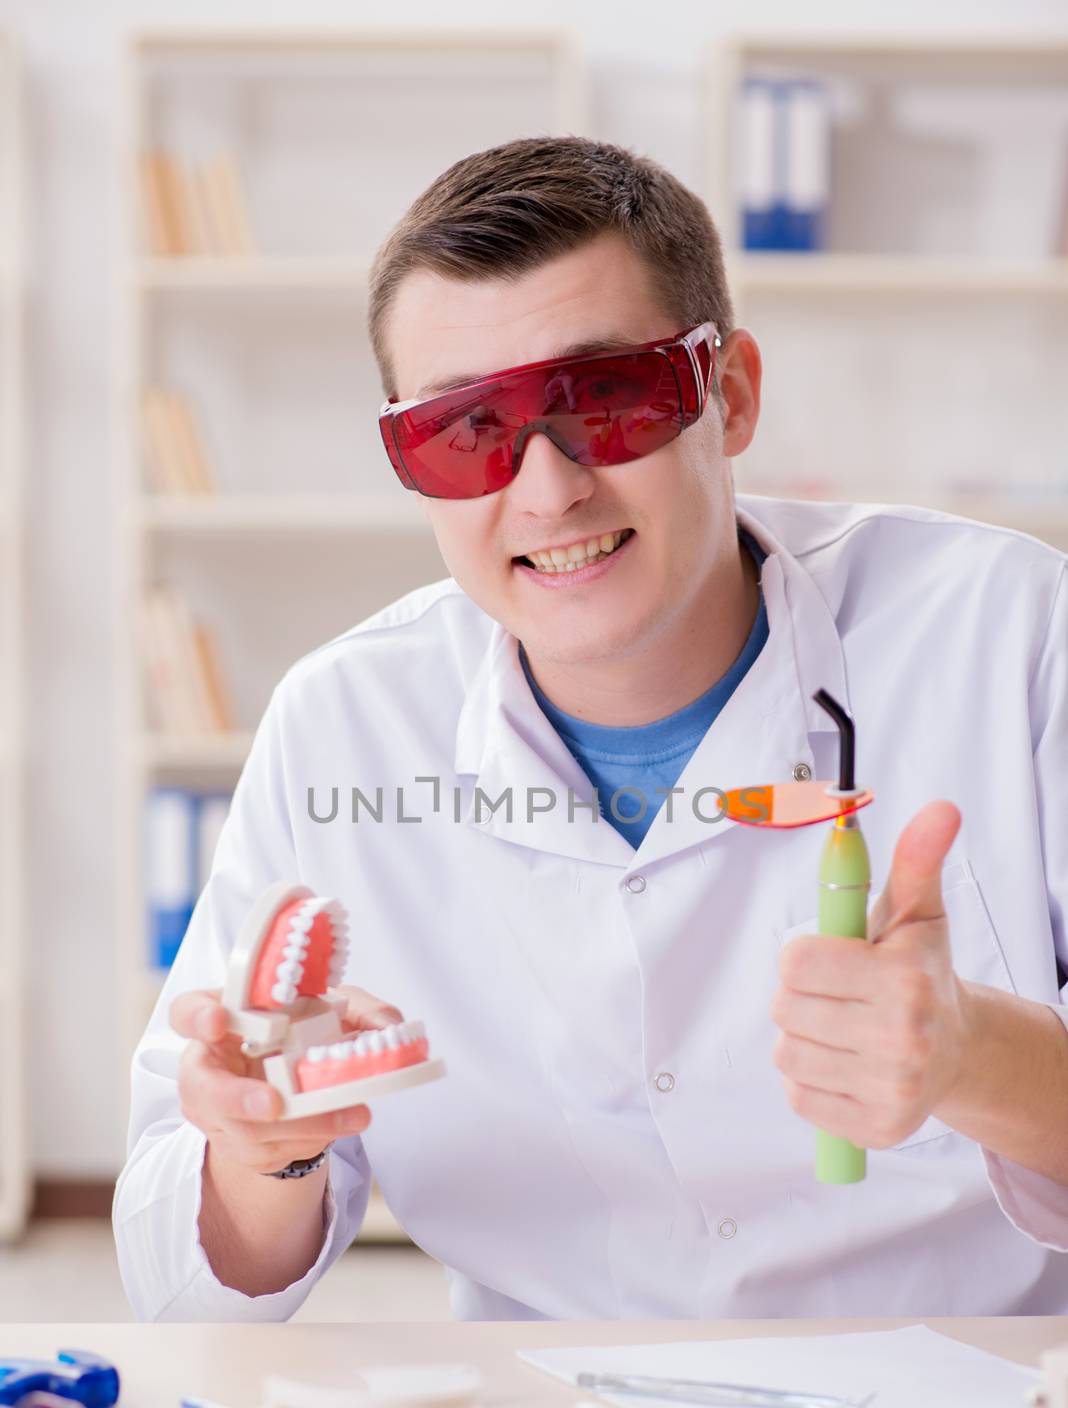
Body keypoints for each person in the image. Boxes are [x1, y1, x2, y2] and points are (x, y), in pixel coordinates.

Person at [114, 136, 1068, 1322]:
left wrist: (976, 1054)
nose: (548, 488)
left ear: (729, 394)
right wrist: (269, 1149)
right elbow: (185, 1298)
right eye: (467, 433)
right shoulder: (345, 727)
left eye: (606, 400)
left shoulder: (1013, 636)